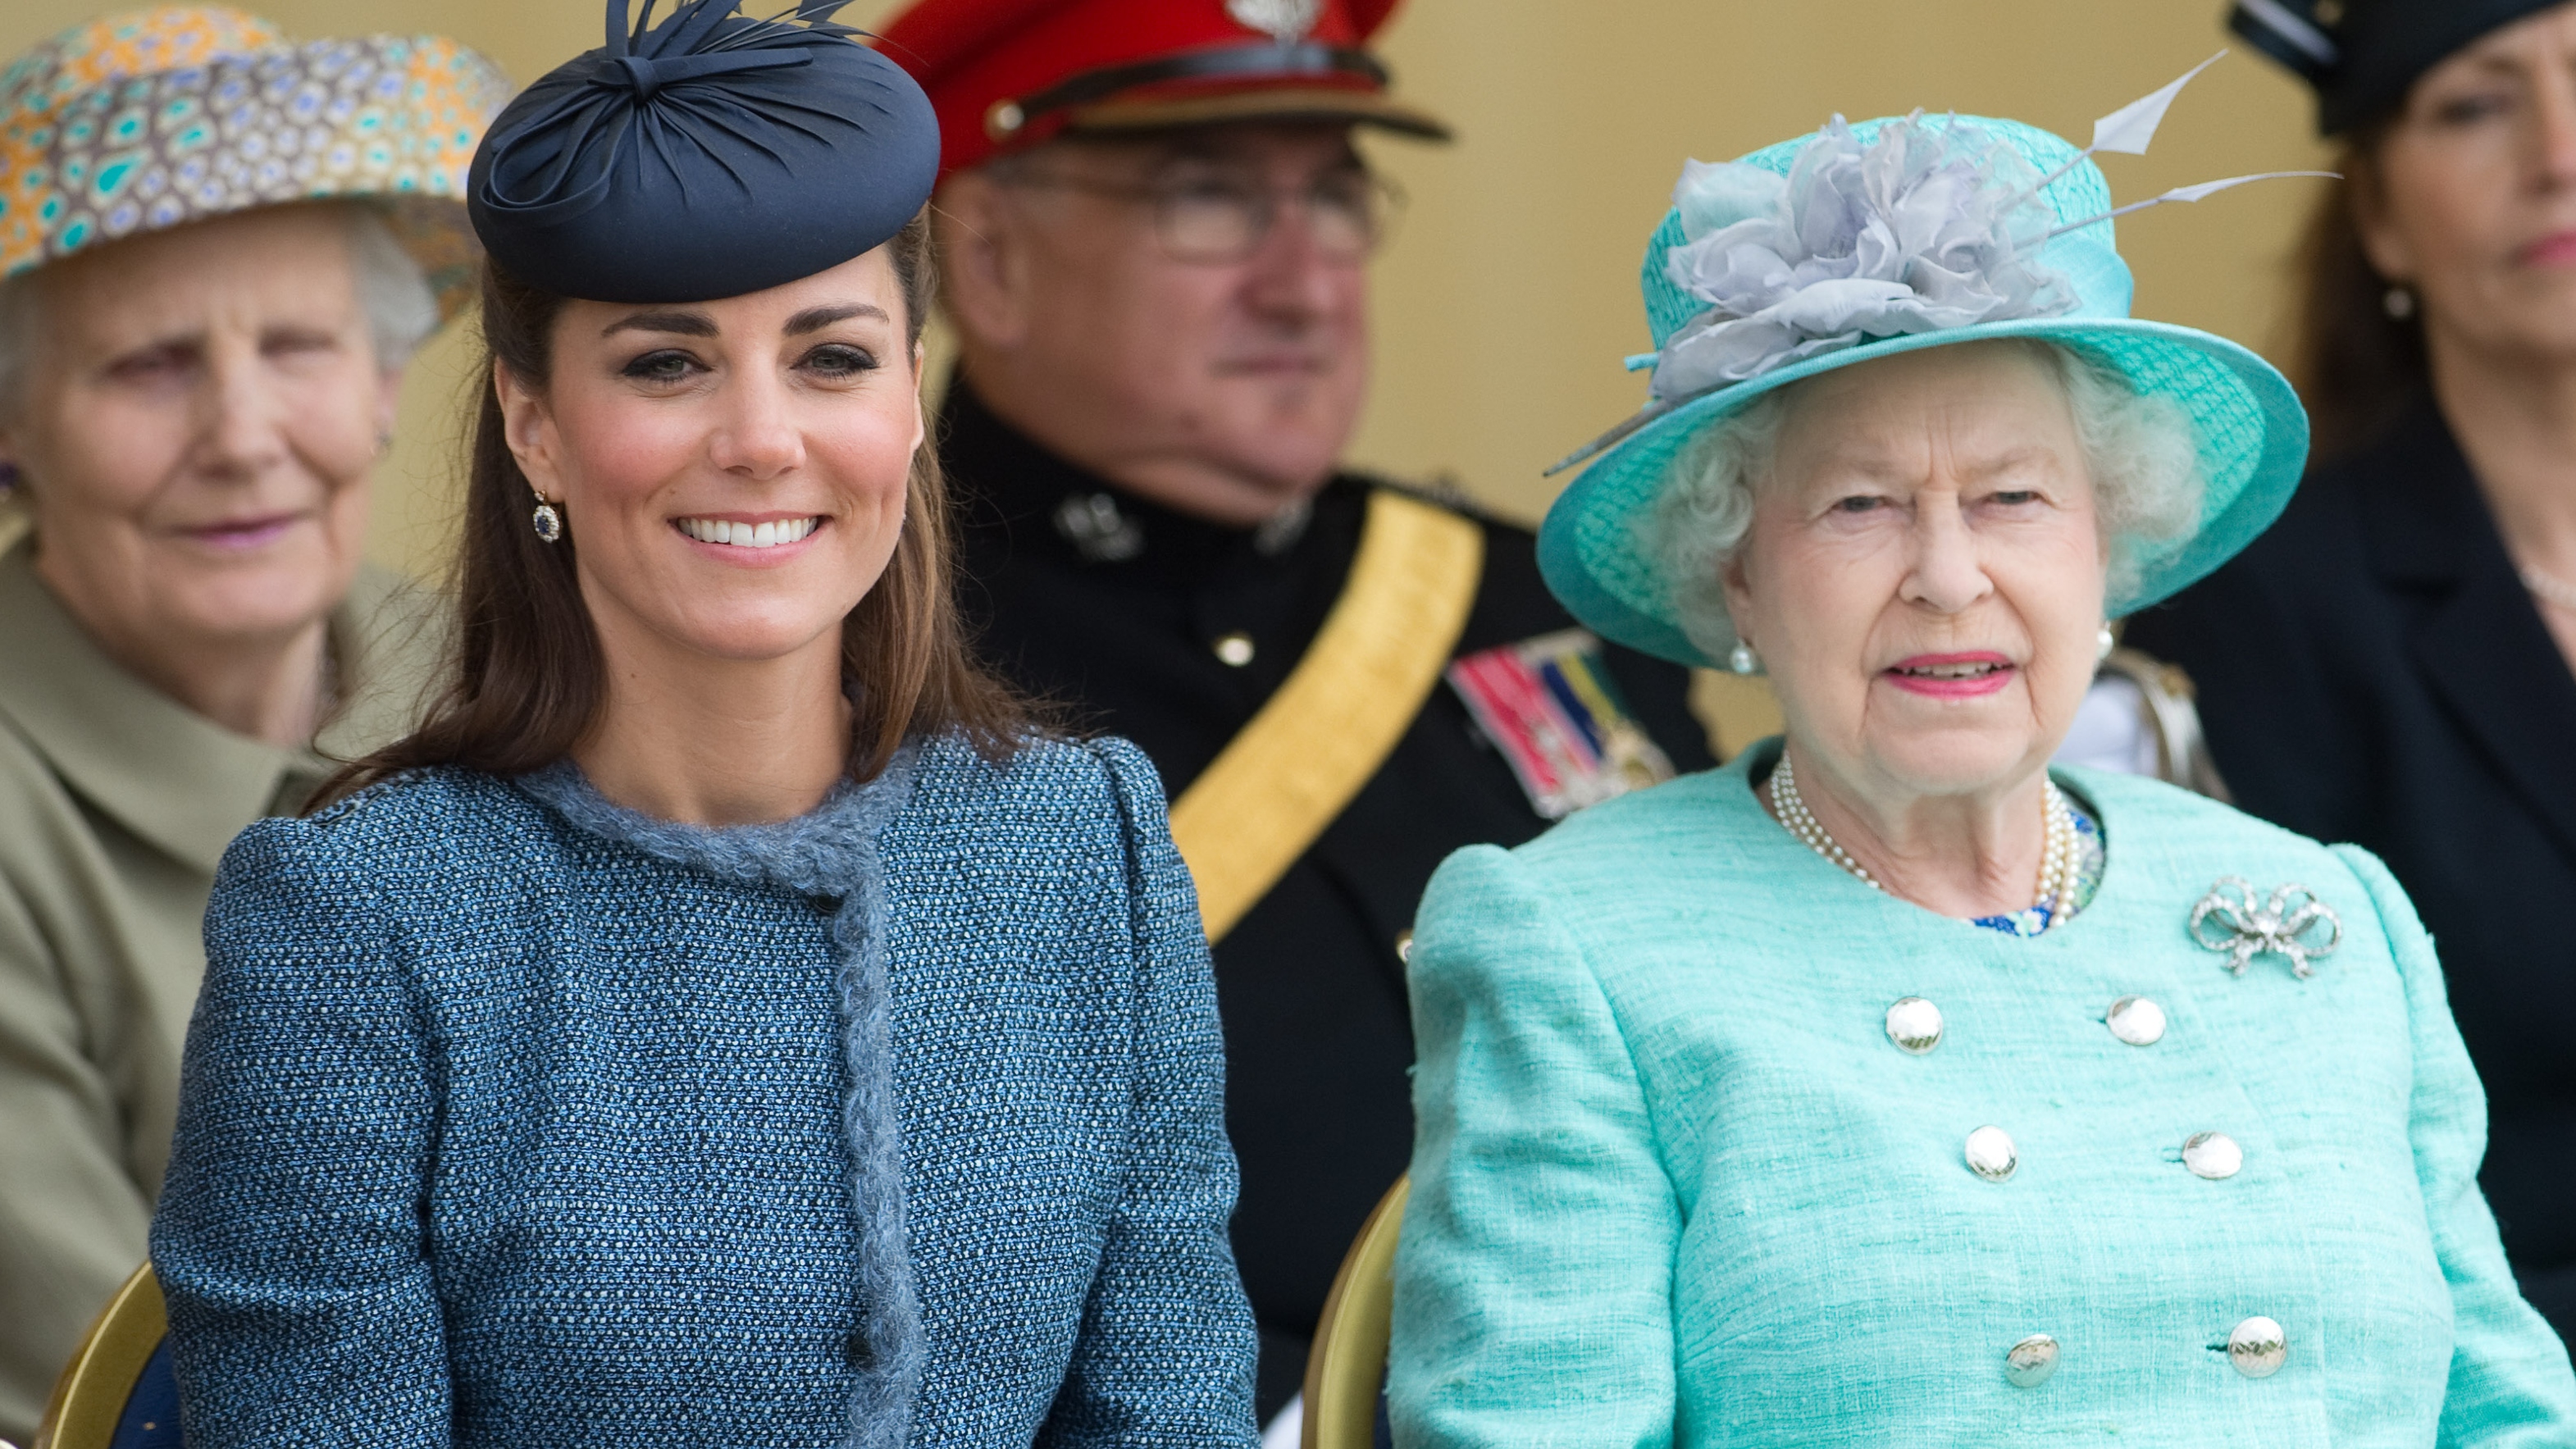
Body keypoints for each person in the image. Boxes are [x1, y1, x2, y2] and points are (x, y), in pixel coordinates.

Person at [146, 2, 1257, 1442]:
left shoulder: (1082, 849)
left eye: (832, 357)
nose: (761, 437)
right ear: (533, 422)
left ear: (910, 402)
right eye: (666, 364)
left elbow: (1169, 1417)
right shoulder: (355, 921)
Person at [1388, 104, 2576, 1443]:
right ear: (1735, 572)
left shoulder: (2327, 912)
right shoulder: (1573, 942)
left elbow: (2507, 1415)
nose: (1950, 579)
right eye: (1859, 506)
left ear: (2107, 547)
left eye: (2014, 499)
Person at [869, 0, 1717, 1420]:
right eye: (1206, 202)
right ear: (988, 258)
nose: (1304, 286)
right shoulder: (857, 654)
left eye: (1330, 200)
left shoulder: (1513, 601)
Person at [0, 9, 507, 1437]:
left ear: (384, 381)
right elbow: (124, 1400)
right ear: (11, 427)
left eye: (296, 345)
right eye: (145, 365)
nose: (241, 433)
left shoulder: (519, 685)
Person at [2123, 0, 2576, 1341]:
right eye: (2475, 105)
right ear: (2375, 217)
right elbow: (2278, 1158)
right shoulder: (2253, 605)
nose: (2559, 151)